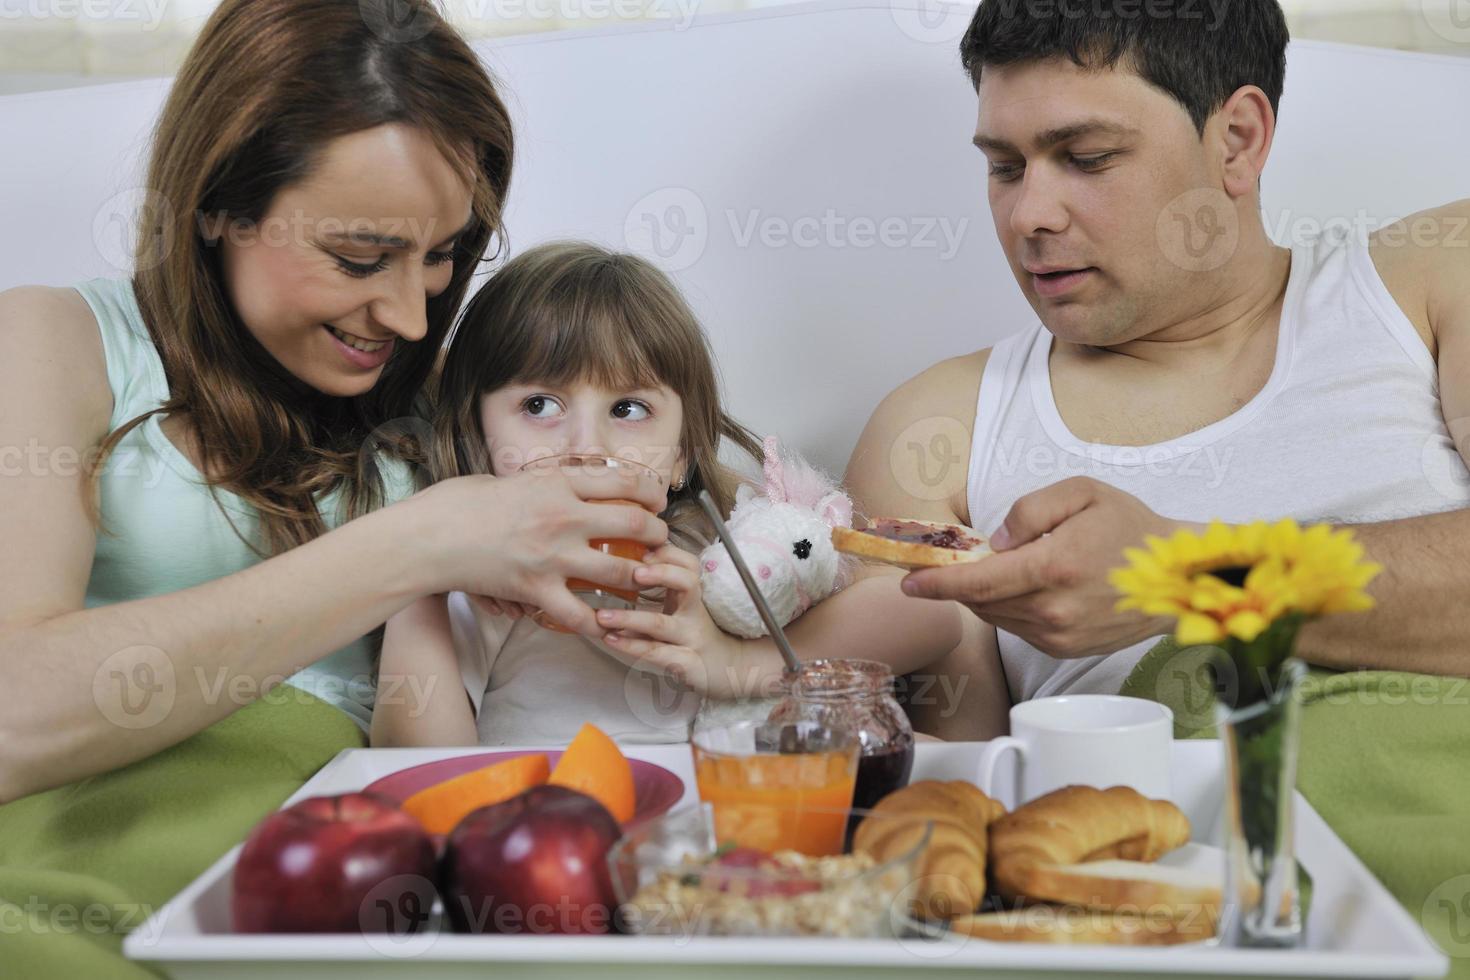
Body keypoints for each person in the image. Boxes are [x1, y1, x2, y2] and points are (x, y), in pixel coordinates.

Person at [0, 0, 670, 806]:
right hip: (99, 857)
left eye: (442, 255)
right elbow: (14, 714)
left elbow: (754, 532)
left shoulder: (469, 396)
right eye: (359, 258)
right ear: (218, 211)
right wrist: (418, 544)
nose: (413, 318)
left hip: (365, 869)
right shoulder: (51, 341)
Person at [845, 0, 1470, 705]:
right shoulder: (938, 430)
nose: (1029, 215)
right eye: (1006, 167)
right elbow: (962, 784)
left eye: (1087, 157)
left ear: (1237, 139)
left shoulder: (1433, 276)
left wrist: (1182, 577)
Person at [372, 241, 1010, 748]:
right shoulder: (486, 585)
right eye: (539, 404)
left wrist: (741, 658)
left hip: (744, 837)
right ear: (478, 436)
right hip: (567, 855)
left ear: (680, 454)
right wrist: (421, 582)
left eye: (628, 407)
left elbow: (935, 620)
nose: (585, 444)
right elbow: (420, 767)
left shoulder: (716, 547)